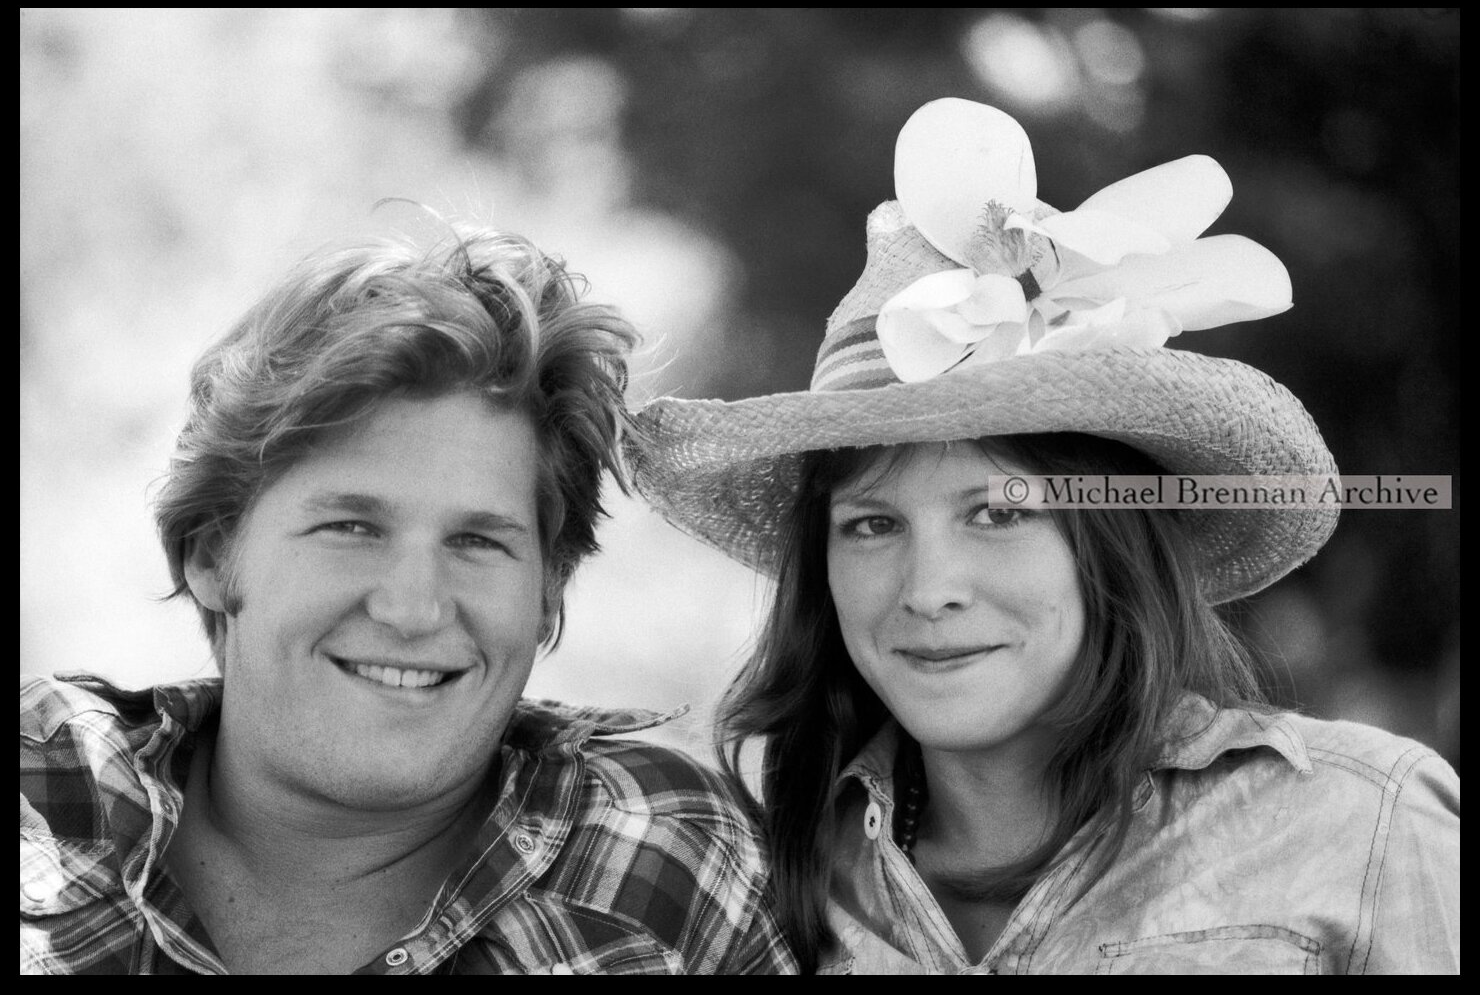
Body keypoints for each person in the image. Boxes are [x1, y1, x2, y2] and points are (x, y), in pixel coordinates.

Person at [632, 99, 1460, 974]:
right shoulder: (752, 880)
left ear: (1111, 541)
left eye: (998, 512)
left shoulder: (1368, 830)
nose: (929, 589)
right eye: (872, 524)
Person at [20, 224, 796, 975]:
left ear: (549, 589)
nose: (414, 608)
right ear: (212, 554)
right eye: (352, 527)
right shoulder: (45, 788)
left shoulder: (667, 864)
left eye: (477, 541)